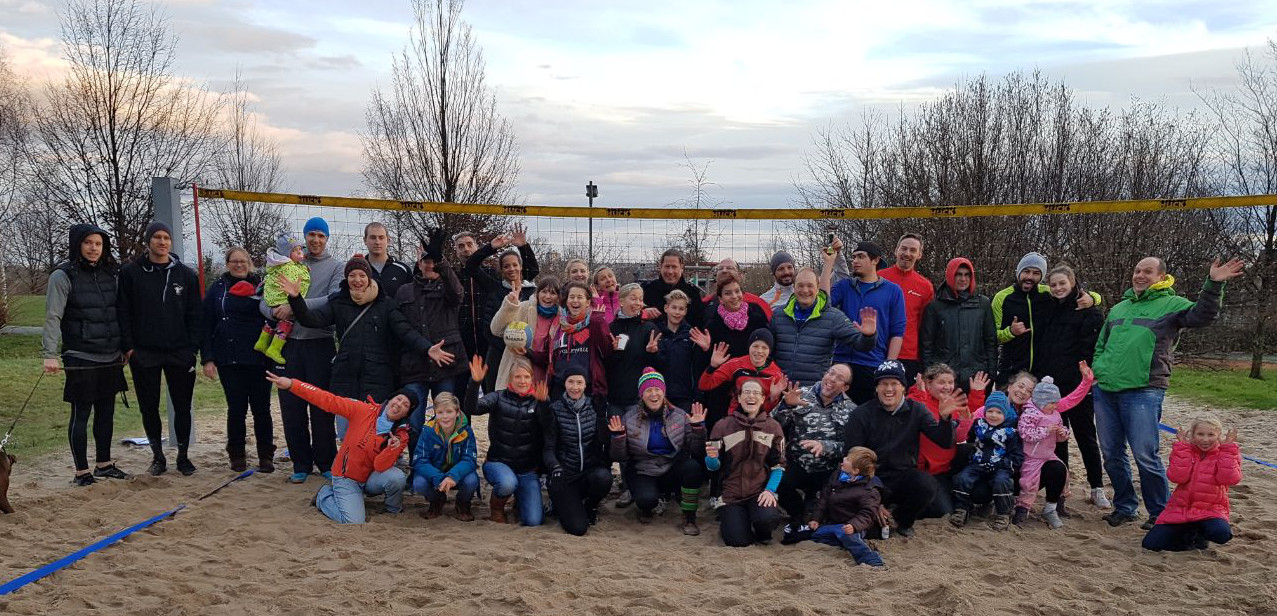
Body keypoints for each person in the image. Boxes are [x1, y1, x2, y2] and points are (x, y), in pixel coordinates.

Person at [1092, 257, 1244, 529]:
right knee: (1112, 454)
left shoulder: (1171, 304)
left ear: (1161, 277)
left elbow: (1202, 316)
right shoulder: (1119, 308)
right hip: (1106, 390)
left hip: (1143, 390)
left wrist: (1213, 284)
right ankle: (1125, 506)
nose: (1140, 275)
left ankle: (1159, 511)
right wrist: (1098, 370)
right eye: (1137, 270)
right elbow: (1101, 344)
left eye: (1147, 272)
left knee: (1145, 455)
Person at [282, 255, 445, 441]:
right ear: (347, 278)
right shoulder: (338, 302)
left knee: (375, 435)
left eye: (361, 275)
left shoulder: (385, 304)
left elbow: (405, 332)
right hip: (345, 378)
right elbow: (311, 319)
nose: (357, 280)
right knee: (345, 435)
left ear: (369, 278)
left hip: (377, 380)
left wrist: (427, 349)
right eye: (352, 275)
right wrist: (295, 298)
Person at [41, 224, 130, 485]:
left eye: (98, 244)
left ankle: (104, 464)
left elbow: (119, 312)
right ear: (78, 244)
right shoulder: (63, 275)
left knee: (107, 411)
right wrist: (49, 353)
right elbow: (53, 316)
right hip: (81, 355)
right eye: (88, 243)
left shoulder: (111, 274)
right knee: (82, 413)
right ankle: (82, 471)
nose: (94, 248)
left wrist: (124, 347)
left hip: (110, 354)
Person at [259, 216, 344, 484]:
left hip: (319, 342)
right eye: (311, 235)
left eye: (320, 235)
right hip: (289, 344)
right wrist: (274, 310)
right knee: (291, 406)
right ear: (304, 238)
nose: (315, 240)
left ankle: (326, 461)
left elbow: (332, 298)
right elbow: (264, 299)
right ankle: (301, 463)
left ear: (327, 238)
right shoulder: (288, 262)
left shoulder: (336, 267)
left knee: (322, 406)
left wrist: (297, 304)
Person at [264, 371, 412, 524]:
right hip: (347, 477)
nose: (399, 405)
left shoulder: (402, 435)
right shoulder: (363, 410)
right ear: (390, 399)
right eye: (398, 399)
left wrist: (391, 449)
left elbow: (380, 465)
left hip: (371, 478)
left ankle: (393, 510)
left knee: (397, 477)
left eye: (405, 405)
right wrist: (292, 385)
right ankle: (324, 496)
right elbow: (327, 400)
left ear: (407, 412)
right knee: (353, 521)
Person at [118, 221, 202, 477]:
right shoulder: (131, 273)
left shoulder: (186, 275)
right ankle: (157, 456)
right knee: (149, 406)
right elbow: (123, 311)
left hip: (179, 351)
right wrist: (129, 348)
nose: (162, 242)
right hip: (145, 352)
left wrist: (192, 349)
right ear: (148, 241)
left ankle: (183, 456)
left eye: (166, 237)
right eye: (157, 237)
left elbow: (195, 314)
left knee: (182, 406)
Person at [844, 360, 957, 537]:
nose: (889, 389)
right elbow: (852, 456)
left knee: (927, 484)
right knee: (874, 532)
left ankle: (903, 521)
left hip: (903, 475)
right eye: (883, 384)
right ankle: (876, 511)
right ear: (876, 388)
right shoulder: (861, 414)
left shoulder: (917, 410)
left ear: (903, 387)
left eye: (894, 384)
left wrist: (944, 419)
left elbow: (943, 442)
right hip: (872, 478)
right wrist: (875, 501)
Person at [1035, 265, 1109, 509]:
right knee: (1058, 438)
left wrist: (1086, 378)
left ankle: (1097, 486)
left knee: (1086, 435)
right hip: (1051, 385)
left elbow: (1093, 347)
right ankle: (1061, 489)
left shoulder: (1089, 311)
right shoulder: (1046, 306)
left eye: (1062, 284)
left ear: (1073, 282)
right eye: (1053, 284)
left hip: (1078, 385)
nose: (1058, 288)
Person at [202, 247, 275, 472]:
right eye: (234, 261)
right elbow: (205, 324)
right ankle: (237, 455)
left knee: (262, 409)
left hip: (259, 357)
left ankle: (266, 455)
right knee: (236, 409)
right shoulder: (218, 288)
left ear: (250, 263)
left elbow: (274, 318)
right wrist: (208, 358)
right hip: (229, 357)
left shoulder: (263, 286)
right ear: (227, 264)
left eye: (243, 261)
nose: (239, 265)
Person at [608, 368, 707, 535]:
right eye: (648, 390)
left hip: (670, 467)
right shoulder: (629, 418)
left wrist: (698, 428)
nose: (653, 394)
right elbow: (620, 457)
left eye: (657, 389)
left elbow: (696, 450)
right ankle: (648, 506)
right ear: (641, 394)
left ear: (664, 392)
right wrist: (618, 438)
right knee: (646, 500)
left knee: (693, 468)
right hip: (643, 470)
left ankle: (689, 516)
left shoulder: (679, 415)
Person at [397, 230, 467, 458]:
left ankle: (445, 462)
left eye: (433, 261)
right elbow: (401, 329)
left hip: (445, 365)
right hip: (414, 365)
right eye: (426, 261)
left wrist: (441, 260)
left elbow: (457, 294)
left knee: (446, 418)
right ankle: (418, 465)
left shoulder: (448, 287)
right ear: (418, 263)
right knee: (414, 421)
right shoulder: (405, 291)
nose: (430, 266)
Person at [772, 364, 856, 542]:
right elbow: (772, 425)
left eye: (839, 378)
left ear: (846, 387)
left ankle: (812, 506)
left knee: (829, 505)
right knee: (776, 479)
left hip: (827, 469)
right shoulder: (799, 393)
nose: (832, 379)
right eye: (831, 373)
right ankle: (797, 511)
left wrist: (826, 447)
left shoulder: (851, 410)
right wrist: (787, 406)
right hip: (796, 462)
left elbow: (852, 448)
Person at [992, 252, 1098, 385]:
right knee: (1005, 405)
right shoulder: (1002, 297)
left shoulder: (1048, 293)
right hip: (1010, 369)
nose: (1030, 277)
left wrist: (1093, 298)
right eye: (1026, 271)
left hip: (1040, 371)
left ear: (1041, 276)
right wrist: (1010, 332)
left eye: (1036, 273)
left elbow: (1073, 294)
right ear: (1018, 272)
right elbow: (993, 336)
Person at [823, 239, 907, 404]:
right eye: (853, 257)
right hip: (841, 362)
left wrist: (888, 366)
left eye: (860, 256)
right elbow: (823, 303)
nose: (855, 261)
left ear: (875, 260)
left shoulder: (893, 291)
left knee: (866, 419)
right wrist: (828, 264)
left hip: (872, 363)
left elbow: (897, 331)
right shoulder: (845, 286)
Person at [463, 356, 544, 526]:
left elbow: (549, 429)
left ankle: (519, 502)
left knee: (533, 520)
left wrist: (545, 404)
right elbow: (472, 409)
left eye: (526, 377)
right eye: (518, 377)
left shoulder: (538, 401)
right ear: (510, 379)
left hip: (527, 469)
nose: (522, 381)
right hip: (498, 462)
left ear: (532, 379)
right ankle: (496, 510)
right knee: (508, 483)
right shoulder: (498, 397)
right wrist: (475, 383)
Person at [705, 379, 787, 547]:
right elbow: (713, 467)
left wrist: (770, 491)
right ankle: (734, 521)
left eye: (756, 393)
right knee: (737, 540)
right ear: (739, 398)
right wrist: (711, 459)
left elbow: (779, 465)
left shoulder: (773, 427)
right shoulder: (723, 426)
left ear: (763, 398)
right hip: (731, 494)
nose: (751, 396)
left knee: (767, 520)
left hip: (759, 491)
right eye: (747, 392)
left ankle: (760, 526)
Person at [1142, 417, 1241, 552]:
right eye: (1200, 434)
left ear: (1218, 436)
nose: (1205, 440)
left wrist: (1228, 450)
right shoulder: (1184, 450)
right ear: (1192, 436)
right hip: (1181, 509)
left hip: (1211, 510)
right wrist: (1183, 448)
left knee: (1221, 534)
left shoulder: (1226, 453)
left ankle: (1199, 532)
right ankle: (1188, 532)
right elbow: (1177, 477)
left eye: (1211, 435)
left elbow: (1229, 479)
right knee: (1150, 544)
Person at [1014, 368, 1095, 529]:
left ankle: (1053, 506)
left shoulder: (1055, 414)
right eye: (1052, 403)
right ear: (1042, 402)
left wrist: (1062, 433)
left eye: (1056, 403)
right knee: (1028, 483)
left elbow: (1061, 432)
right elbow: (1025, 433)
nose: (1055, 406)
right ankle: (1022, 508)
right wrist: (1045, 431)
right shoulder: (1030, 413)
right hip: (1031, 456)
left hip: (1048, 454)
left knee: (1062, 471)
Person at [771, 268, 877, 385]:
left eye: (810, 286)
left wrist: (869, 336)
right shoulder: (778, 315)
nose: (805, 290)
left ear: (817, 288)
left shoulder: (833, 317)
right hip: (780, 388)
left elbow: (861, 345)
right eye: (800, 286)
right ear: (794, 288)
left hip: (813, 392)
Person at [538, 370, 613, 536]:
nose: (575, 387)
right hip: (565, 475)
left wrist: (601, 418)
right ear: (564, 384)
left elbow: (604, 441)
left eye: (579, 382)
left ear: (585, 385)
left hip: (587, 472)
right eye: (571, 382)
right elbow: (548, 448)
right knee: (578, 528)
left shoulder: (594, 406)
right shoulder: (555, 409)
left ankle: (591, 505)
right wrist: (555, 467)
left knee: (604, 477)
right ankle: (559, 504)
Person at [466, 224, 539, 392]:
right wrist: (491, 247)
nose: (511, 269)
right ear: (501, 269)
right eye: (506, 266)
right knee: (496, 396)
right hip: (499, 351)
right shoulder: (494, 288)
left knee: (526, 396)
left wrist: (523, 246)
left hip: (527, 352)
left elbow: (533, 268)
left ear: (520, 267)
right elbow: (471, 266)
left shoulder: (533, 291)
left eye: (515, 265)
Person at [908, 364, 985, 516]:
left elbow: (960, 437)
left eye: (950, 382)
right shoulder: (915, 399)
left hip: (945, 468)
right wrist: (921, 394)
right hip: (924, 470)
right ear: (928, 383)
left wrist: (976, 394)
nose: (947, 387)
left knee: (970, 450)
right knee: (942, 512)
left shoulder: (951, 403)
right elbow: (916, 416)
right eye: (942, 382)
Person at [949, 391, 1022, 531]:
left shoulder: (1011, 432)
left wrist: (1005, 465)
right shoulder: (978, 425)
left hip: (1000, 465)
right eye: (990, 411)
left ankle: (1003, 514)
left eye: (999, 412)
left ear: (1005, 414)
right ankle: (962, 509)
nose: (994, 415)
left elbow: (1016, 456)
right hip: (978, 462)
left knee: (1002, 482)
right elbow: (968, 439)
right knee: (962, 478)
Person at [920, 257, 997, 388]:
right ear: (950, 275)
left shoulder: (983, 303)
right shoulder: (935, 307)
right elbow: (927, 345)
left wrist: (991, 372)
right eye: (958, 274)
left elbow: (990, 341)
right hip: (946, 378)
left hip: (977, 375)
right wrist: (928, 374)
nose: (963, 279)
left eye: (967, 275)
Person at [530, 281, 612, 403]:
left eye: (580, 297)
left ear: (588, 302)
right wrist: (527, 352)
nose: (575, 301)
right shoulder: (557, 324)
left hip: (587, 388)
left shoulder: (596, 321)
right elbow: (548, 357)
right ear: (566, 301)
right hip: (559, 388)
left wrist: (598, 321)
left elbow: (606, 351)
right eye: (571, 297)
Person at [807, 447, 887, 568]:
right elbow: (823, 499)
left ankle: (872, 559)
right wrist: (816, 518)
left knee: (848, 536)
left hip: (854, 527)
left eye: (848, 459)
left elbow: (867, 513)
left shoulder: (869, 490)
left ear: (855, 470)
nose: (844, 459)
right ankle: (843, 542)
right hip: (834, 523)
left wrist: (854, 526)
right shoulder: (837, 476)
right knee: (816, 535)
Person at [411, 392, 479, 521]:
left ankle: (463, 503)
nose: (445, 416)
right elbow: (420, 460)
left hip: (457, 471)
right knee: (419, 483)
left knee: (472, 481)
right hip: (435, 471)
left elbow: (470, 459)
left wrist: (452, 476)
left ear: (457, 412)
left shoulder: (466, 431)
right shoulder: (428, 430)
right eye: (440, 412)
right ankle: (436, 500)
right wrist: (438, 477)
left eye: (449, 411)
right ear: (435, 413)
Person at [878, 234, 934, 381]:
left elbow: (924, 325)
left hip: (908, 355)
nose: (907, 254)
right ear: (896, 250)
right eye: (904, 248)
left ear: (919, 254)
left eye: (913, 250)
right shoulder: (877, 278)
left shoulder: (925, 286)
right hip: (876, 351)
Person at [491, 277, 559, 388]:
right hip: (518, 372)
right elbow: (497, 330)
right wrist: (510, 305)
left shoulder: (561, 317)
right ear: (537, 293)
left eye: (553, 293)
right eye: (544, 292)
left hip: (544, 376)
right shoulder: (524, 308)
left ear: (558, 297)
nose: (547, 296)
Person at [253, 234, 310, 364]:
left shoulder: (277, 264)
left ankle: (262, 341)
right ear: (287, 254)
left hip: (272, 298)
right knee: (286, 323)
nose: (300, 253)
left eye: (300, 249)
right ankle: (274, 348)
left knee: (271, 321)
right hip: (283, 299)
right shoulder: (289, 267)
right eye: (296, 251)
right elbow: (301, 280)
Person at [606, 283, 660, 418]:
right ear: (622, 301)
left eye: (640, 299)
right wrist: (614, 352)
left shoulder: (649, 328)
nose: (638, 303)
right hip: (615, 397)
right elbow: (605, 365)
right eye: (633, 298)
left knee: (637, 436)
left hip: (638, 397)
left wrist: (652, 353)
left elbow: (659, 365)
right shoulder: (611, 328)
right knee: (617, 436)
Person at [653, 289, 705, 411]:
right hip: (661, 394)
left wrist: (697, 396)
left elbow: (697, 367)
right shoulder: (656, 333)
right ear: (666, 308)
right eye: (674, 308)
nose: (677, 312)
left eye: (681, 309)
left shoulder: (692, 334)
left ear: (685, 311)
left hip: (685, 396)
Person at [701, 272, 771, 357]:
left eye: (737, 291)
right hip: (723, 369)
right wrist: (706, 349)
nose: (734, 296)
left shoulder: (757, 319)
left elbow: (768, 351)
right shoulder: (713, 325)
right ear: (720, 299)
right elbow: (703, 362)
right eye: (728, 293)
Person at [641, 248, 704, 327]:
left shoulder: (692, 293)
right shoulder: (647, 290)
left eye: (674, 267)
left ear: (681, 268)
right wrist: (643, 311)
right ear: (660, 267)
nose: (670, 272)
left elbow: (700, 323)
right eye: (667, 266)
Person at [702, 258, 772, 319]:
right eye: (720, 268)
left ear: (739, 275)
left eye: (729, 268)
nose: (724, 271)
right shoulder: (705, 303)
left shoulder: (758, 303)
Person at [362, 222, 413, 299]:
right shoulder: (359, 270)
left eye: (381, 238)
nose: (377, 242)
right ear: (365, 240)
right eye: (373, 237)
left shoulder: (403, 270)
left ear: (388, 240)